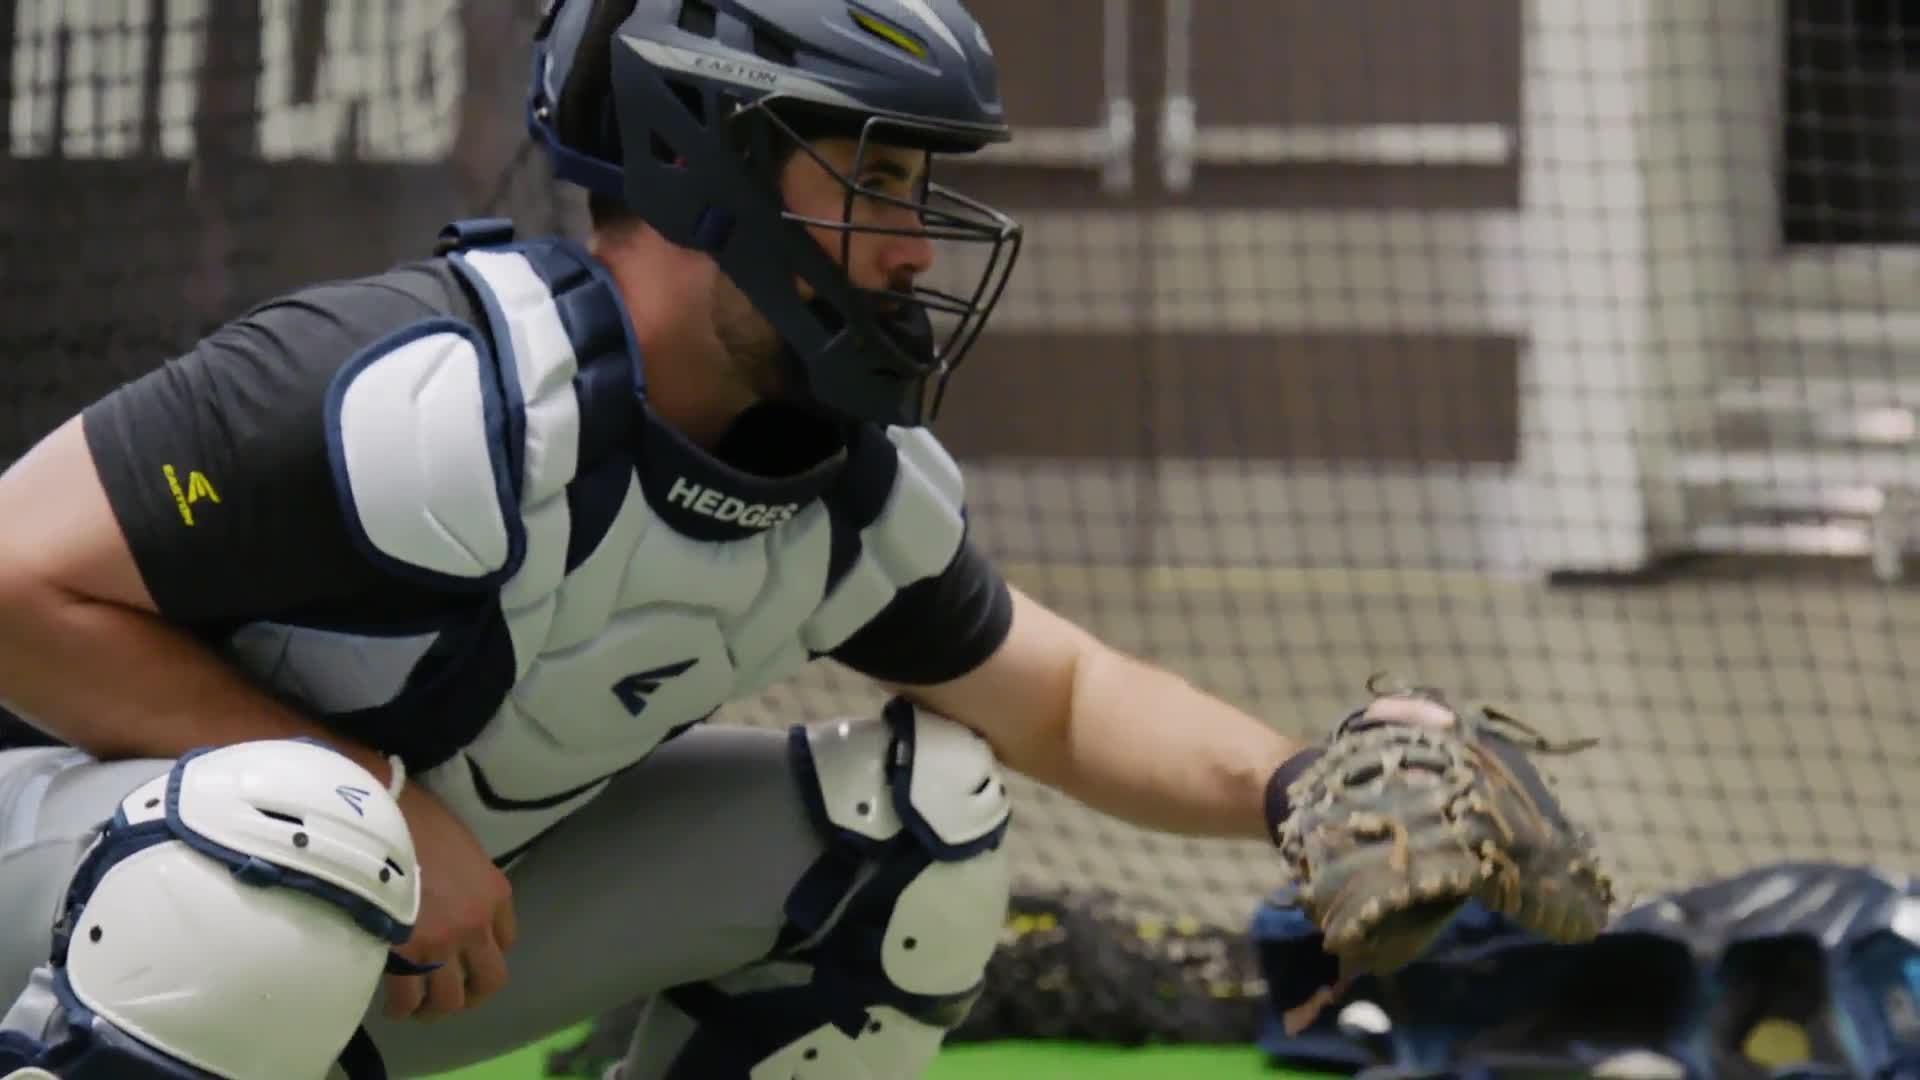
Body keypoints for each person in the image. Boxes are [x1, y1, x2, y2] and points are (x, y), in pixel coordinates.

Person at [0, 1, 1442, 1076]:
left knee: (922, 824)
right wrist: (371, 789)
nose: (917, 243)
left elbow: (1056, 695)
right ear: (709, 163)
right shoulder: (413, 394)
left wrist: (1313, 792)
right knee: (307, 838)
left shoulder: (840, 488)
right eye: (875, 177)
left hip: (385, 953)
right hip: (69, 907)